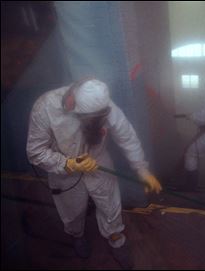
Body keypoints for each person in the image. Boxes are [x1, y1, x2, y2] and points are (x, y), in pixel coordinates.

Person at [26, 78, 162, 267]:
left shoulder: (104, 104)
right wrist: (69, 164)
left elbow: (126, 136)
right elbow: (35, 152)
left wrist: (142, 169)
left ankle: (116, 238)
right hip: (65, 166)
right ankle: (76, 235)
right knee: (71, 210)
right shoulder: (45, 107)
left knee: (110, 204)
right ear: (72, 103)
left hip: (98, 160)